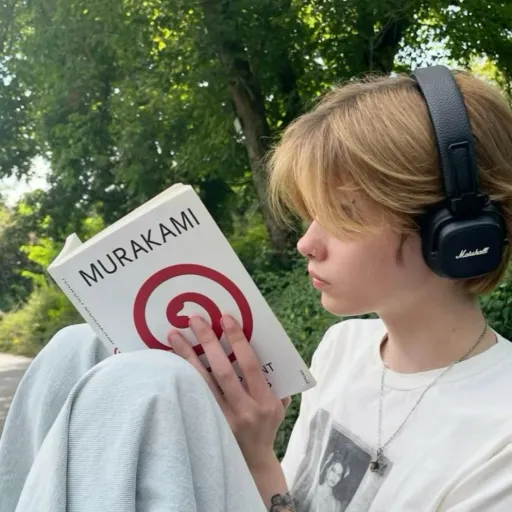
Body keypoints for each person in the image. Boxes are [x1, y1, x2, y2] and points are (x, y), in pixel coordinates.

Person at [1, 64, 512, 512]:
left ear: (458, 232)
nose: (307, 243)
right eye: (311, 215)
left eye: (344, 214)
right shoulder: (343, 347)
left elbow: (270, 488)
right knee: (80, 348)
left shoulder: (499, 433)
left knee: (146, 381)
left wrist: (256, 458)